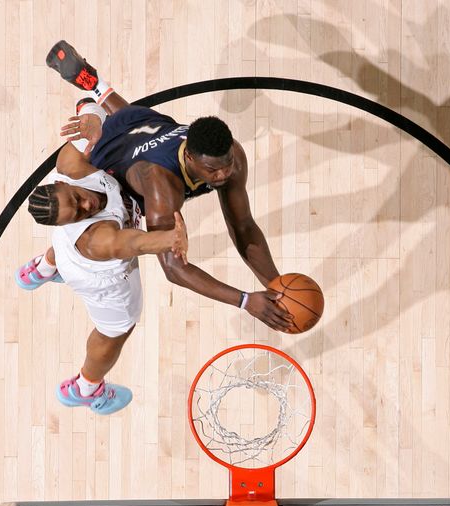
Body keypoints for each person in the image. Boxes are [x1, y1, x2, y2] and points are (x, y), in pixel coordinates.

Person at [42, 40, 294, 332]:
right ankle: (46, 264)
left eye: (226, 164)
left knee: (133, 117)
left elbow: (243, 226)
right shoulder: (162, 187)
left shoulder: (231, 155)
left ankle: (94, 83)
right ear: (189, 156)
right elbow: (174, 269)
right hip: (104, 165)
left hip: (142, 125)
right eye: (213, 169)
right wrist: (245, 300)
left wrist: (277, 287)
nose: (223, 174)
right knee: (97, 227)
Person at [15, 157, 189, 415]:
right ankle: (86, 388)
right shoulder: (99, 240)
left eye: (77, 198)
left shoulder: (70, 169)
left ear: (63, 182)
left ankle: (46, 267)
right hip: (100, 282)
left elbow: (78, 140)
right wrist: (172, 238)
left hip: (67, 247)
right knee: (115, 332)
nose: (87, 204)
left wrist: (94, 115)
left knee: (63, 240)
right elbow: (136, 244)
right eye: (79, 212)